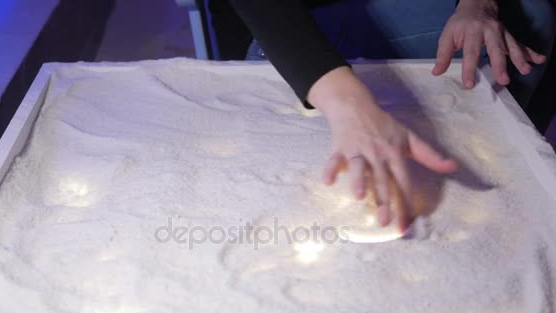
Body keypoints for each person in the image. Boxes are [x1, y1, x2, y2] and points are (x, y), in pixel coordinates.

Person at [229, 0, 556, 231]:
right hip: (296, 33)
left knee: (526, 22)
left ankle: (517, 173)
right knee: (534, 17)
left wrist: (475, 4)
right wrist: (348, 103)